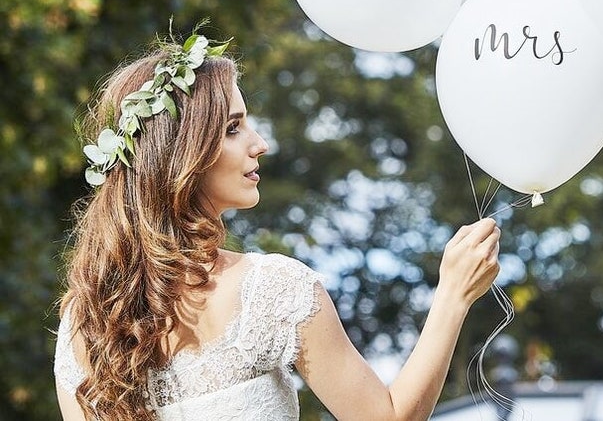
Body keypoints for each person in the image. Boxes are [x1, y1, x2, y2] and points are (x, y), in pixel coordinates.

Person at [53, 29, 501, 420]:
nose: (259, 144)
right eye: (233, 128)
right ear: (179, 154)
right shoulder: (272, 290)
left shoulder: (85, 319)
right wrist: (453, 295)